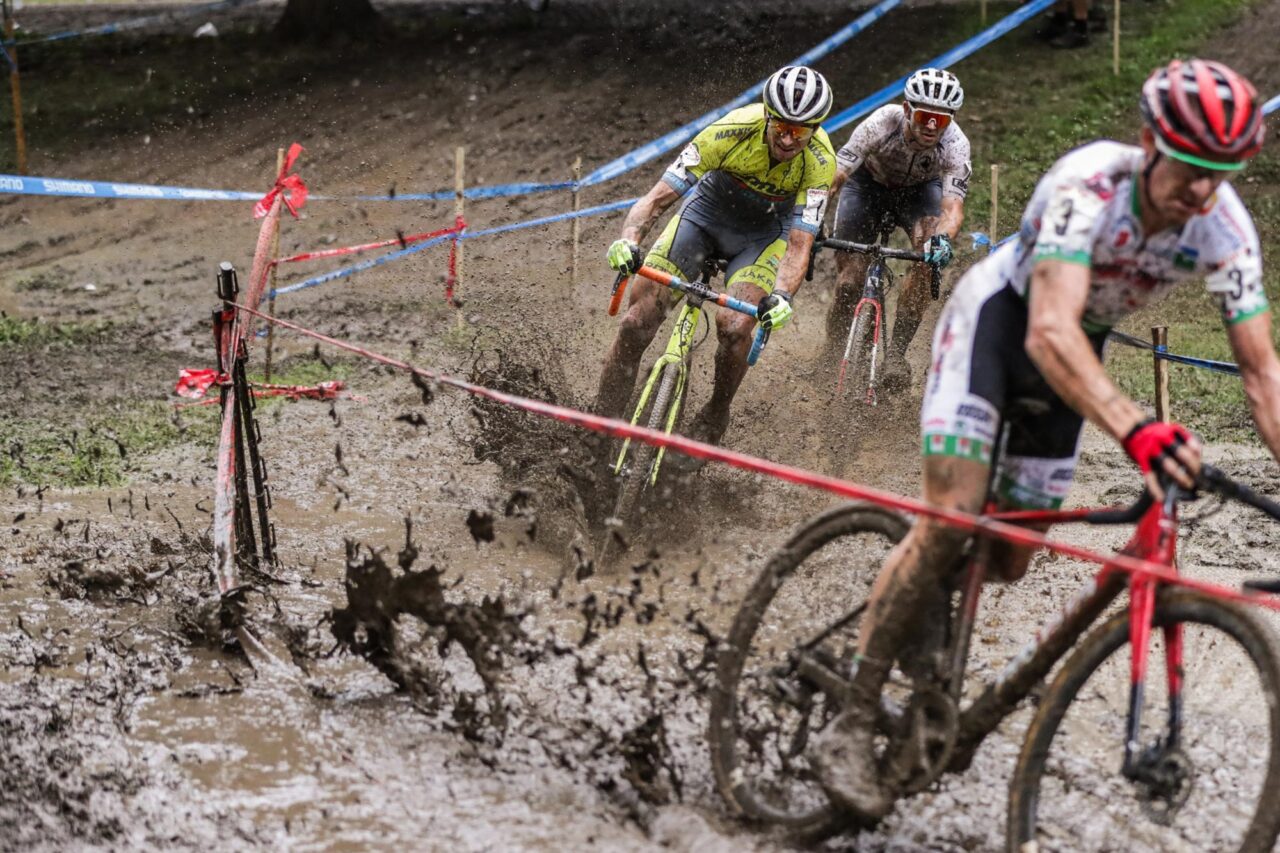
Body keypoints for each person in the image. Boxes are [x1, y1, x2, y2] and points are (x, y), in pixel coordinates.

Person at [815, 58, 1275, 819]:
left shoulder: (1225, 229)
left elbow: (1263, 377)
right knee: (951, 516)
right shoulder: (1088, 184)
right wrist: (1137, 429)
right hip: (998, 328)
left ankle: (928, 600)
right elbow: (1050, 328)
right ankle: (854, 713)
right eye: (1192, 168)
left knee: (1013, 556)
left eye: (1222, 172)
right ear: (1151, 142)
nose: (1203, 190)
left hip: (1071, 359)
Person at [595, 65, 836, 456]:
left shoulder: (820, 161)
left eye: (802, 130)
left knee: (737, 326)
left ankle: (715, 413)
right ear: (767, 117)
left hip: (762, 237)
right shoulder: (731, 130)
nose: (790, 139)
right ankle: (599, 424)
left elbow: (798, 244)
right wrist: (628, 240)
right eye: (782, 128)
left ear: (815, 129)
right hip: (705, 218)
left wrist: (783, 296)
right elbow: (657, 198)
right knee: (637, 321)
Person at [823, 68, 971, 391]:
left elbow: (952, 209)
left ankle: (896, 356)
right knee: (849, 281)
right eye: (925, 117)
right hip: (867, 186)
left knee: (925, 258)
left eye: (941, 120)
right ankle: (831, 352)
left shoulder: (956, 145)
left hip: (918, 193)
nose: (932, 127)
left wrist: (941, 240)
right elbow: (837, 174)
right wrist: (813, 214)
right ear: (907, 110)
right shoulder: (881, 122)